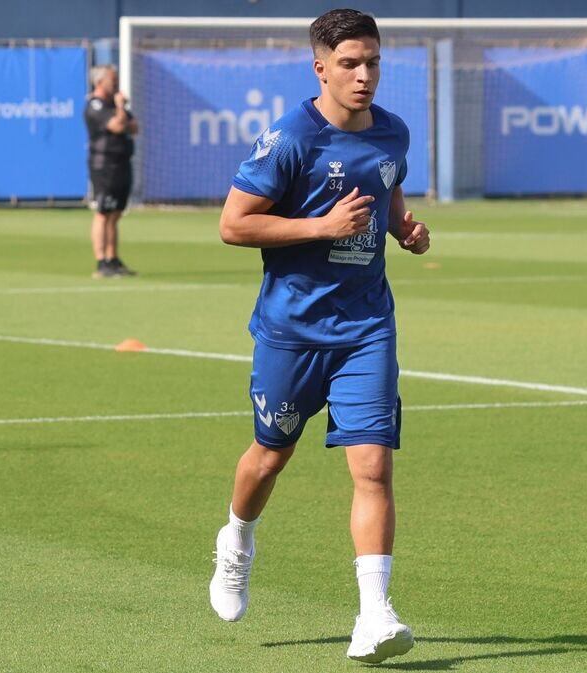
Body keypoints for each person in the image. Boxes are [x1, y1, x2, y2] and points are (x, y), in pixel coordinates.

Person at [208, 9, 430, 665]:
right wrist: (319, 227)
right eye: (351, 64)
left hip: (367, 326)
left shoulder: (393, 132)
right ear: (321, 67)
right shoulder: (290, 139)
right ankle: (237, 542)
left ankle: (375, 613)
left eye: (374, 63)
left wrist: (404, 230)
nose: (365, 76)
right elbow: (233, 224)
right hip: (292, 327)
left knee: (373, 465)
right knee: (269, 455)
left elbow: (387, 194)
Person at [84, 64, 138, 278]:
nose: (115, 84)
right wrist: (120, 109)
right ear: (99, 82)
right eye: (112, 80)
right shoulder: (96, 105)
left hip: (122, 162)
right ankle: (101, 262)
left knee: (115, 214)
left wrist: (121, 110)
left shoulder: (115, 104)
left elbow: (134, 127)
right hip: (104, 165)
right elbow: (117, 126)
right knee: (103, 213)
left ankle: (113, 259)